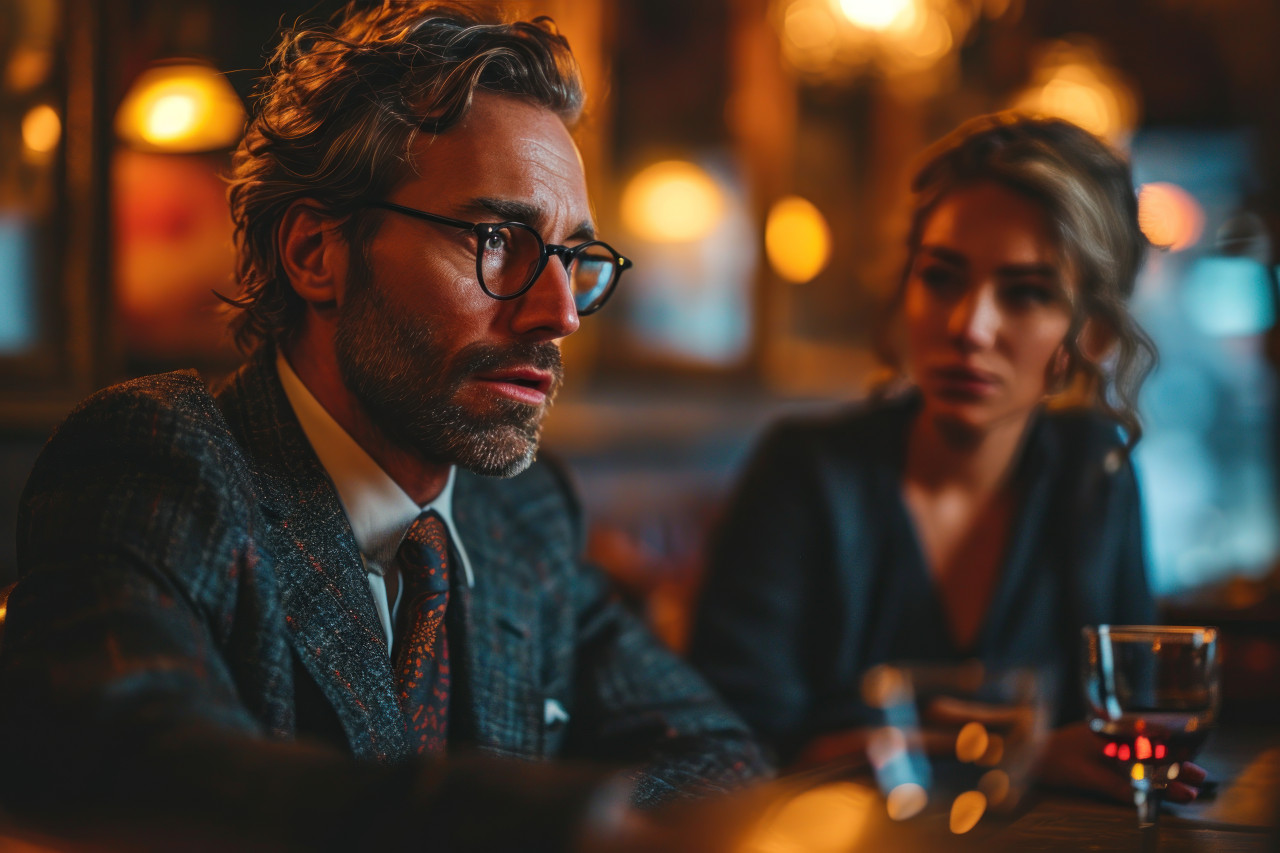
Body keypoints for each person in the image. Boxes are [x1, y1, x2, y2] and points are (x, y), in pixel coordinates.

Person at [0, 4, 766, 849]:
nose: (558, 315)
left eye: (572, 259)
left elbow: (715, 749)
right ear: (316, 254)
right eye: (496, 239)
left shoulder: (520, 514)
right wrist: (562, 823)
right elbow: (124, 764)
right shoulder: (158, 460)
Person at [690, 114, 1206, 802]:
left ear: (1095, 333)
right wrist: (1019, 752)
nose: (970, 326)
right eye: (941, 277)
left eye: (1025, 292)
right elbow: (724, 747)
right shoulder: (805, 472)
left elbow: (1120, 722)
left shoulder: (1093, 472)